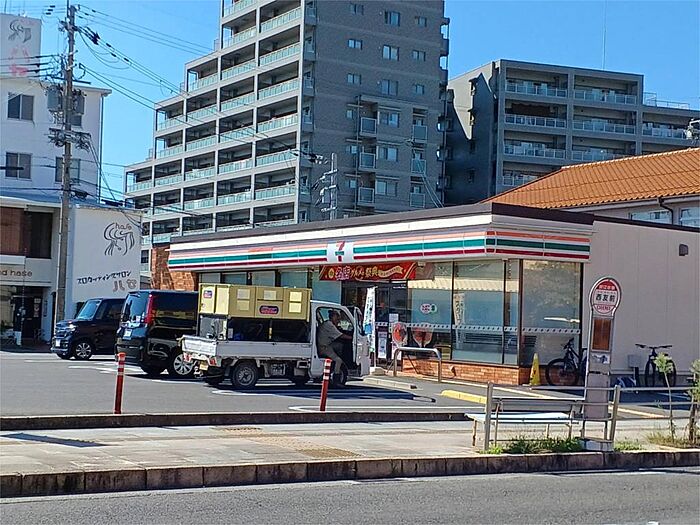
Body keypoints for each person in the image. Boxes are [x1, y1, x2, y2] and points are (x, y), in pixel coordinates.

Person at [316, 310, 352, 377]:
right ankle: (336, 376)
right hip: (324, 347)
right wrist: (352, 338)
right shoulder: (329, 325)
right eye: (337, 319)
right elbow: (341, 336)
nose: (338, 321)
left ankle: (338, 357)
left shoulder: (327, 323)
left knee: (340, 345)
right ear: (333, 317)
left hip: (326, 344)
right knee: (338, 360)